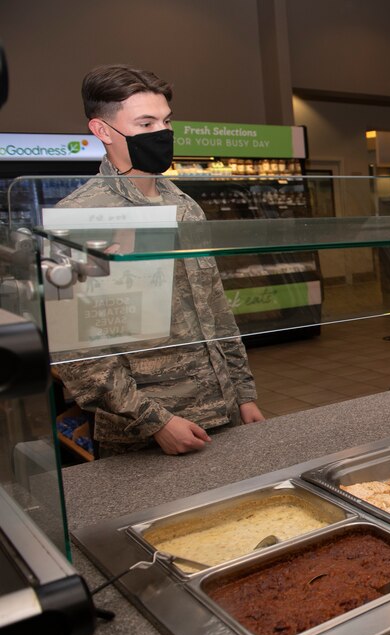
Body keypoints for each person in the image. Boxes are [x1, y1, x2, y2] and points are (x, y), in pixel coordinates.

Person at [54, 65, 264, 456]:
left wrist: (243, 393)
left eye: (166, 121)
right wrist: (157, 422)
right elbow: (78, 355)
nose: (161, 133)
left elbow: (216, 310)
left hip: (223, 413)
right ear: (102, 131)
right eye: (145, 122)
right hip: (144, 434)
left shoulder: (185, 207)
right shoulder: (81, 218)